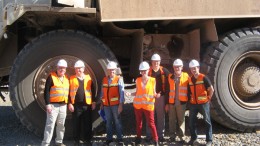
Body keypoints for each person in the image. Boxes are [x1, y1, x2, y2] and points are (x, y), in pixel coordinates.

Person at [127, 61, 160, 146]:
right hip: (138, 106)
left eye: (144, 71)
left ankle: (156, 140)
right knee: (139, 123)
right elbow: (137, 92)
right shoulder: (138, 80)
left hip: (148, 106)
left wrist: (156, 95)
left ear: (148, 70)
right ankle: (138, 138)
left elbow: (154, 93)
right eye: (141, 71)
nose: (143, 72)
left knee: (151, 123)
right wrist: (130, 94)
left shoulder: (153, 80)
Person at [68, 60, 96, 146]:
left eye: (80, 68)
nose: (78, 70)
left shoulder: (88, 78)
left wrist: (93, 102)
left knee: (87, 123)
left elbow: (93, 90)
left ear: (83, 69)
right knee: (76, 124)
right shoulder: (71, 79)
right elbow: (68, 92)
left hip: (87, 105)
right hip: (76, 105)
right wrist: (69, 103)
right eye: (77, 68)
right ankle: (76, 141)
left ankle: (87, 140)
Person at [41, 59, 69, 146]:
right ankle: (45, 143)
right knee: (50, 125)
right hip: (53, 105)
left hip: (63, 105)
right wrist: (48, 104)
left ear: (65, 69)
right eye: (60, 68)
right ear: (57, 67)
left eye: (63, 68)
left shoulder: (66, 78)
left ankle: (59, 142)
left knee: (61, 125)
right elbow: (46, 91)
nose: (62, 70)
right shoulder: (51, 77)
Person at [188, 59, 214, 146]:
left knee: (207, 121)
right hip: (193, 104)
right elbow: (190, 91)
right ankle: (193, 138)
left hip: (203, 103)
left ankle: (209, 140)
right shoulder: (190, 79)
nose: (193, 70)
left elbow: (211, 89)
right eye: (192, 69)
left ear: (198, 68)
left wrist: (209, 98)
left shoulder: (203, 77)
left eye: (195, 68)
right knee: (191, 121)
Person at [146, 53, 170, 143]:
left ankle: (160, 135)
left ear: (160, 62)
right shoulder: (148, 71)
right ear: (151, 62)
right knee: (149, 117)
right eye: (154, 61)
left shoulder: (164, 71)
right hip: (150, 97)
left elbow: (171, 80)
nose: (156, 63)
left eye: (157, 61)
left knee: (160, 117)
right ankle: (149, 135)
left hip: (161, 97)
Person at [100, 61, 125, 145]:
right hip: (106, 105)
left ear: (115, 70)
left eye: (113, 70)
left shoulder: (118, 79)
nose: (111, 71)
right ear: (107, 70)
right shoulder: (104, 79)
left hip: (116, 105)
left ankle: (119, 138)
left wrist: (121, 105)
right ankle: (109, 138)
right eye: (110, 70)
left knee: (117, 122)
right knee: (108, 122)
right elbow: (102, 93)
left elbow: (122, 93)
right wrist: (101, 104)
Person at [165, 59, 189, 143]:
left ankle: (182, 137)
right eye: (175, 67)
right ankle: (172, 136)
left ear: (182, 67)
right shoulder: (170, 77)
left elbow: (190, 89)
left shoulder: (186, 76)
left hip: (181, 103)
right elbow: (167, 91)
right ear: (173, 67)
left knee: (181, 120)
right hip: (172, 103)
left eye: (178, 66)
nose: (177, 68)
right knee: (171, 119)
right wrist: (167, 103)